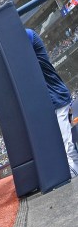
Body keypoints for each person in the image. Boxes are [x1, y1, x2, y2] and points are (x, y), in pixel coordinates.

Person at [26, 28, 78, 177]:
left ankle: (74, 169)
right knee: (58, 145)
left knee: (68, 144)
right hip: (48, 103)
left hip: (58, 98)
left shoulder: (27, 34)